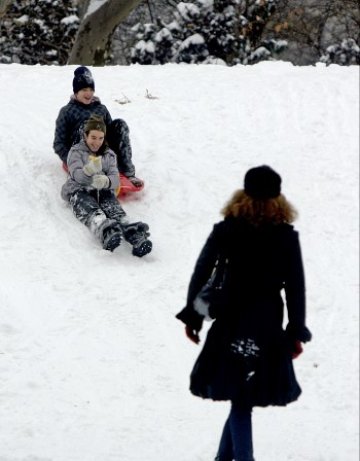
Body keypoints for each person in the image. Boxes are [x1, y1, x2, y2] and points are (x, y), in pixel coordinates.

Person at [176, 165, 312, 461]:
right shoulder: (286, 237)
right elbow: (295, 288)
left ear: (244, 194)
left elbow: (202, 271)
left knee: (241, 397)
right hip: (267, 324)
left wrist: (194, 315)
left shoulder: (226, 230)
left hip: (230, 320)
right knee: (242, 398)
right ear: (278, 198)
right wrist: (295, 331)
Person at [61, 114, 152, 256]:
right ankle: (105, 231)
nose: (96, 142)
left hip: (103, 191)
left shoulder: (108, 154)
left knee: (116, 211)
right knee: (91, 211)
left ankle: (135, 235)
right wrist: (89, 170)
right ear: (85, 136)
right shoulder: (76, 152)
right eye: (93, 137)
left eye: (100, 138)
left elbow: (116, 179)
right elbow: (76, 175)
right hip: (79, 190)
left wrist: (107, 181)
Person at [54, 65, 144, 187]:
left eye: (91, 89)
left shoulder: (101, 108)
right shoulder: (67, 111)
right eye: (84, 90)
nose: (88, 93)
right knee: (87, 126)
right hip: (81, 156)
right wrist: (71, 162)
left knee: (119, 125)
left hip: (101, 151)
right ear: (76, 91)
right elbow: (59, 144)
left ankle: (126, 172)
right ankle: (91, 170)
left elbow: (112, 136)